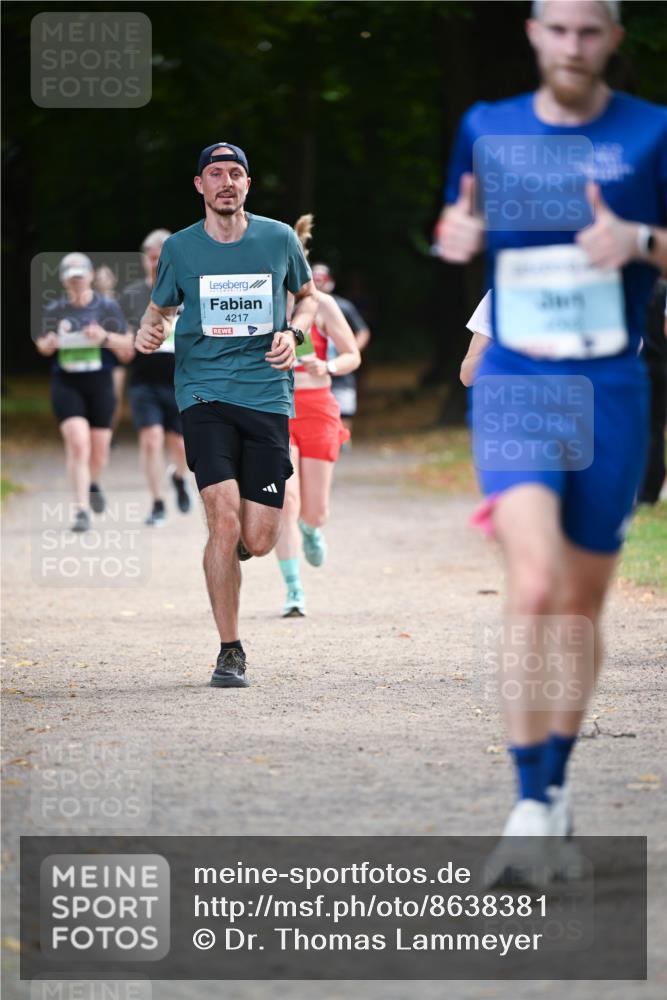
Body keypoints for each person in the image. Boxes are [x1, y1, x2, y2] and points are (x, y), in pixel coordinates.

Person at [437, 0, 667, 850]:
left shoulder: (652, 131)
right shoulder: (486, 125)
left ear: (611, 39)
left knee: (576, 603)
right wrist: (456, 234)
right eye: (556, 28)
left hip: (609, 385)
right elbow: (462, 224)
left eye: (589, 30)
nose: (572, 45)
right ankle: (529, 803)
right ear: (532, 33)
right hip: (516, 380)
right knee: (531, 585)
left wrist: (640, 238)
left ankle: (555, 784)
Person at [135, 143, 318, 689]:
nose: (226, 182)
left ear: (247, 184)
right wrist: (148, 328)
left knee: (258, 537)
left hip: (266, 393)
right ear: (199, 186)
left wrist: (295, 331)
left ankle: (238, 543)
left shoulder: (279, 238)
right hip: (202, 392)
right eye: (215, 173)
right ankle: (230, 650)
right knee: (222, 515)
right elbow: (160, 307)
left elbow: (306, 296)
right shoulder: (180, 248)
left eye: (235, 173)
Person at [275, 217, 361, 617]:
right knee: (284, 501)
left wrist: (326, 366)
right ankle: (294, 590)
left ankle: (312, 530)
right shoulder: (264, 302)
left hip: (318, 409)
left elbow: (352, 354)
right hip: (276, 409)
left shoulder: (322, 305)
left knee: (313, 510)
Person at [35, 253, 133, 531]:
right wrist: (49, 344)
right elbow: (42, 345)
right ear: (65, 281)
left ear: (90, 277)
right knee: (78, 443)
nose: (77, 282)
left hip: (100, 383)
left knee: (99, 451)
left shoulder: (107, 307)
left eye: (80, 277)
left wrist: (103, 336)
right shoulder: (55, 309)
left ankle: (92, 483)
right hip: (67, 383)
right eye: (71, 278)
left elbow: (127, 343)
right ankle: (80, 510)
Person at [120, 229, 192, 526]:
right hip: (144, 380)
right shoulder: (133, 296)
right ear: (144, 260)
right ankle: (157, 503)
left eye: (163, 258)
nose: (157, 264)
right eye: (152, 259)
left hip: (180, 380)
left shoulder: (189, 290)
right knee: (150, 440)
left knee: (181, 446)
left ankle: (178, 476)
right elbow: (124, 344)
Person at [311, 263, 371, 436]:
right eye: (314, 278)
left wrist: (350, 351)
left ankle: (342, 448)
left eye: (322, 279)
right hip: (312, 373)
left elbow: (363, 331)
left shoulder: (342, 306)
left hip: (340, 373)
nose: (318, 283)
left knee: (344, 415)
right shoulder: (300, 305)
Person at [638, 277, 667, 503]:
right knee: (655, 428)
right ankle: (650, 491)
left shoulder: (640, 291)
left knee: (643, 428)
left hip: (642, 365)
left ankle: (643, 490)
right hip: (660, 363)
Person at [94, 264, 127, 437]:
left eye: (106, 277)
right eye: (99, 278)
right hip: (97, 354)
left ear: (113, 280)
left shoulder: (121, 303)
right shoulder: (90, 303)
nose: (103, 281)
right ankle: (101, 432)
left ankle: (110, 434)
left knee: (116, 396)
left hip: (116, 354)